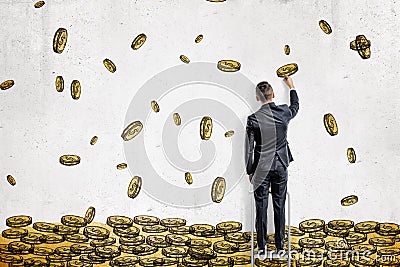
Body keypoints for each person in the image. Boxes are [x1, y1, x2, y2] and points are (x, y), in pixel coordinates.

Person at [245, 75, 299, 257]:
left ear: (257, 98)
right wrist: (291, 86)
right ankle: (280, 247)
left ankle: (261, 248)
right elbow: (295, 107)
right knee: (279, 205)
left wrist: (249, 170)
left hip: (261, 168)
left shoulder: (252, 119)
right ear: (273, 94)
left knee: (261, 208)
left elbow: (248, 149)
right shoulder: (284, 112)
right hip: (281, 165)